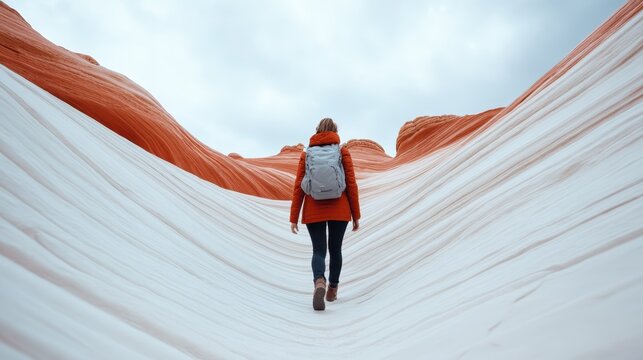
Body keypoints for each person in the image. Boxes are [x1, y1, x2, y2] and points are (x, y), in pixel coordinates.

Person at [290, 117, 361, 311]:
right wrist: (356, 215)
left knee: (318, 250)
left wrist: (294, 217)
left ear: (317, 131)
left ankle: (319, 281)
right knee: (335, 250)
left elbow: (298, 186)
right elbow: (352, 185)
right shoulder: (342, 151)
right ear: (335, 131)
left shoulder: (307, 154)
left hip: (314, 208)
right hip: (340, 208)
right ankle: (332, 289)